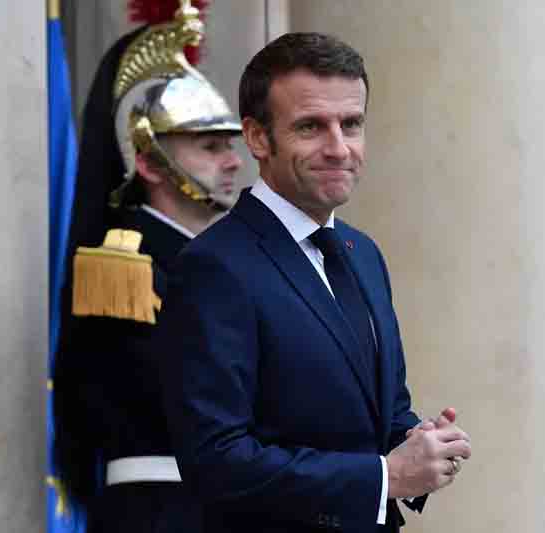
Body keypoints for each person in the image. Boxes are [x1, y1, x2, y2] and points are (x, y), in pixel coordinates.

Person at [159, 32, 471, 533]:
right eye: (311, 127)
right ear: (258, 138)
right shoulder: (215, 266)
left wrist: (422, 443)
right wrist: (383, 477)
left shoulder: (362, 253)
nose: (338, 147)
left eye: (352, 124)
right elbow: (215, 459)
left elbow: (383, 412)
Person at [51, 3, 243, 532]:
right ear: (150, 161)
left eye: (229, 145)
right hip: (159, 509)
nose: (232, 162)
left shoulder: (225, 261)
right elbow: (177, 396)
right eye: (209, 147)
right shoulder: (122, 266)